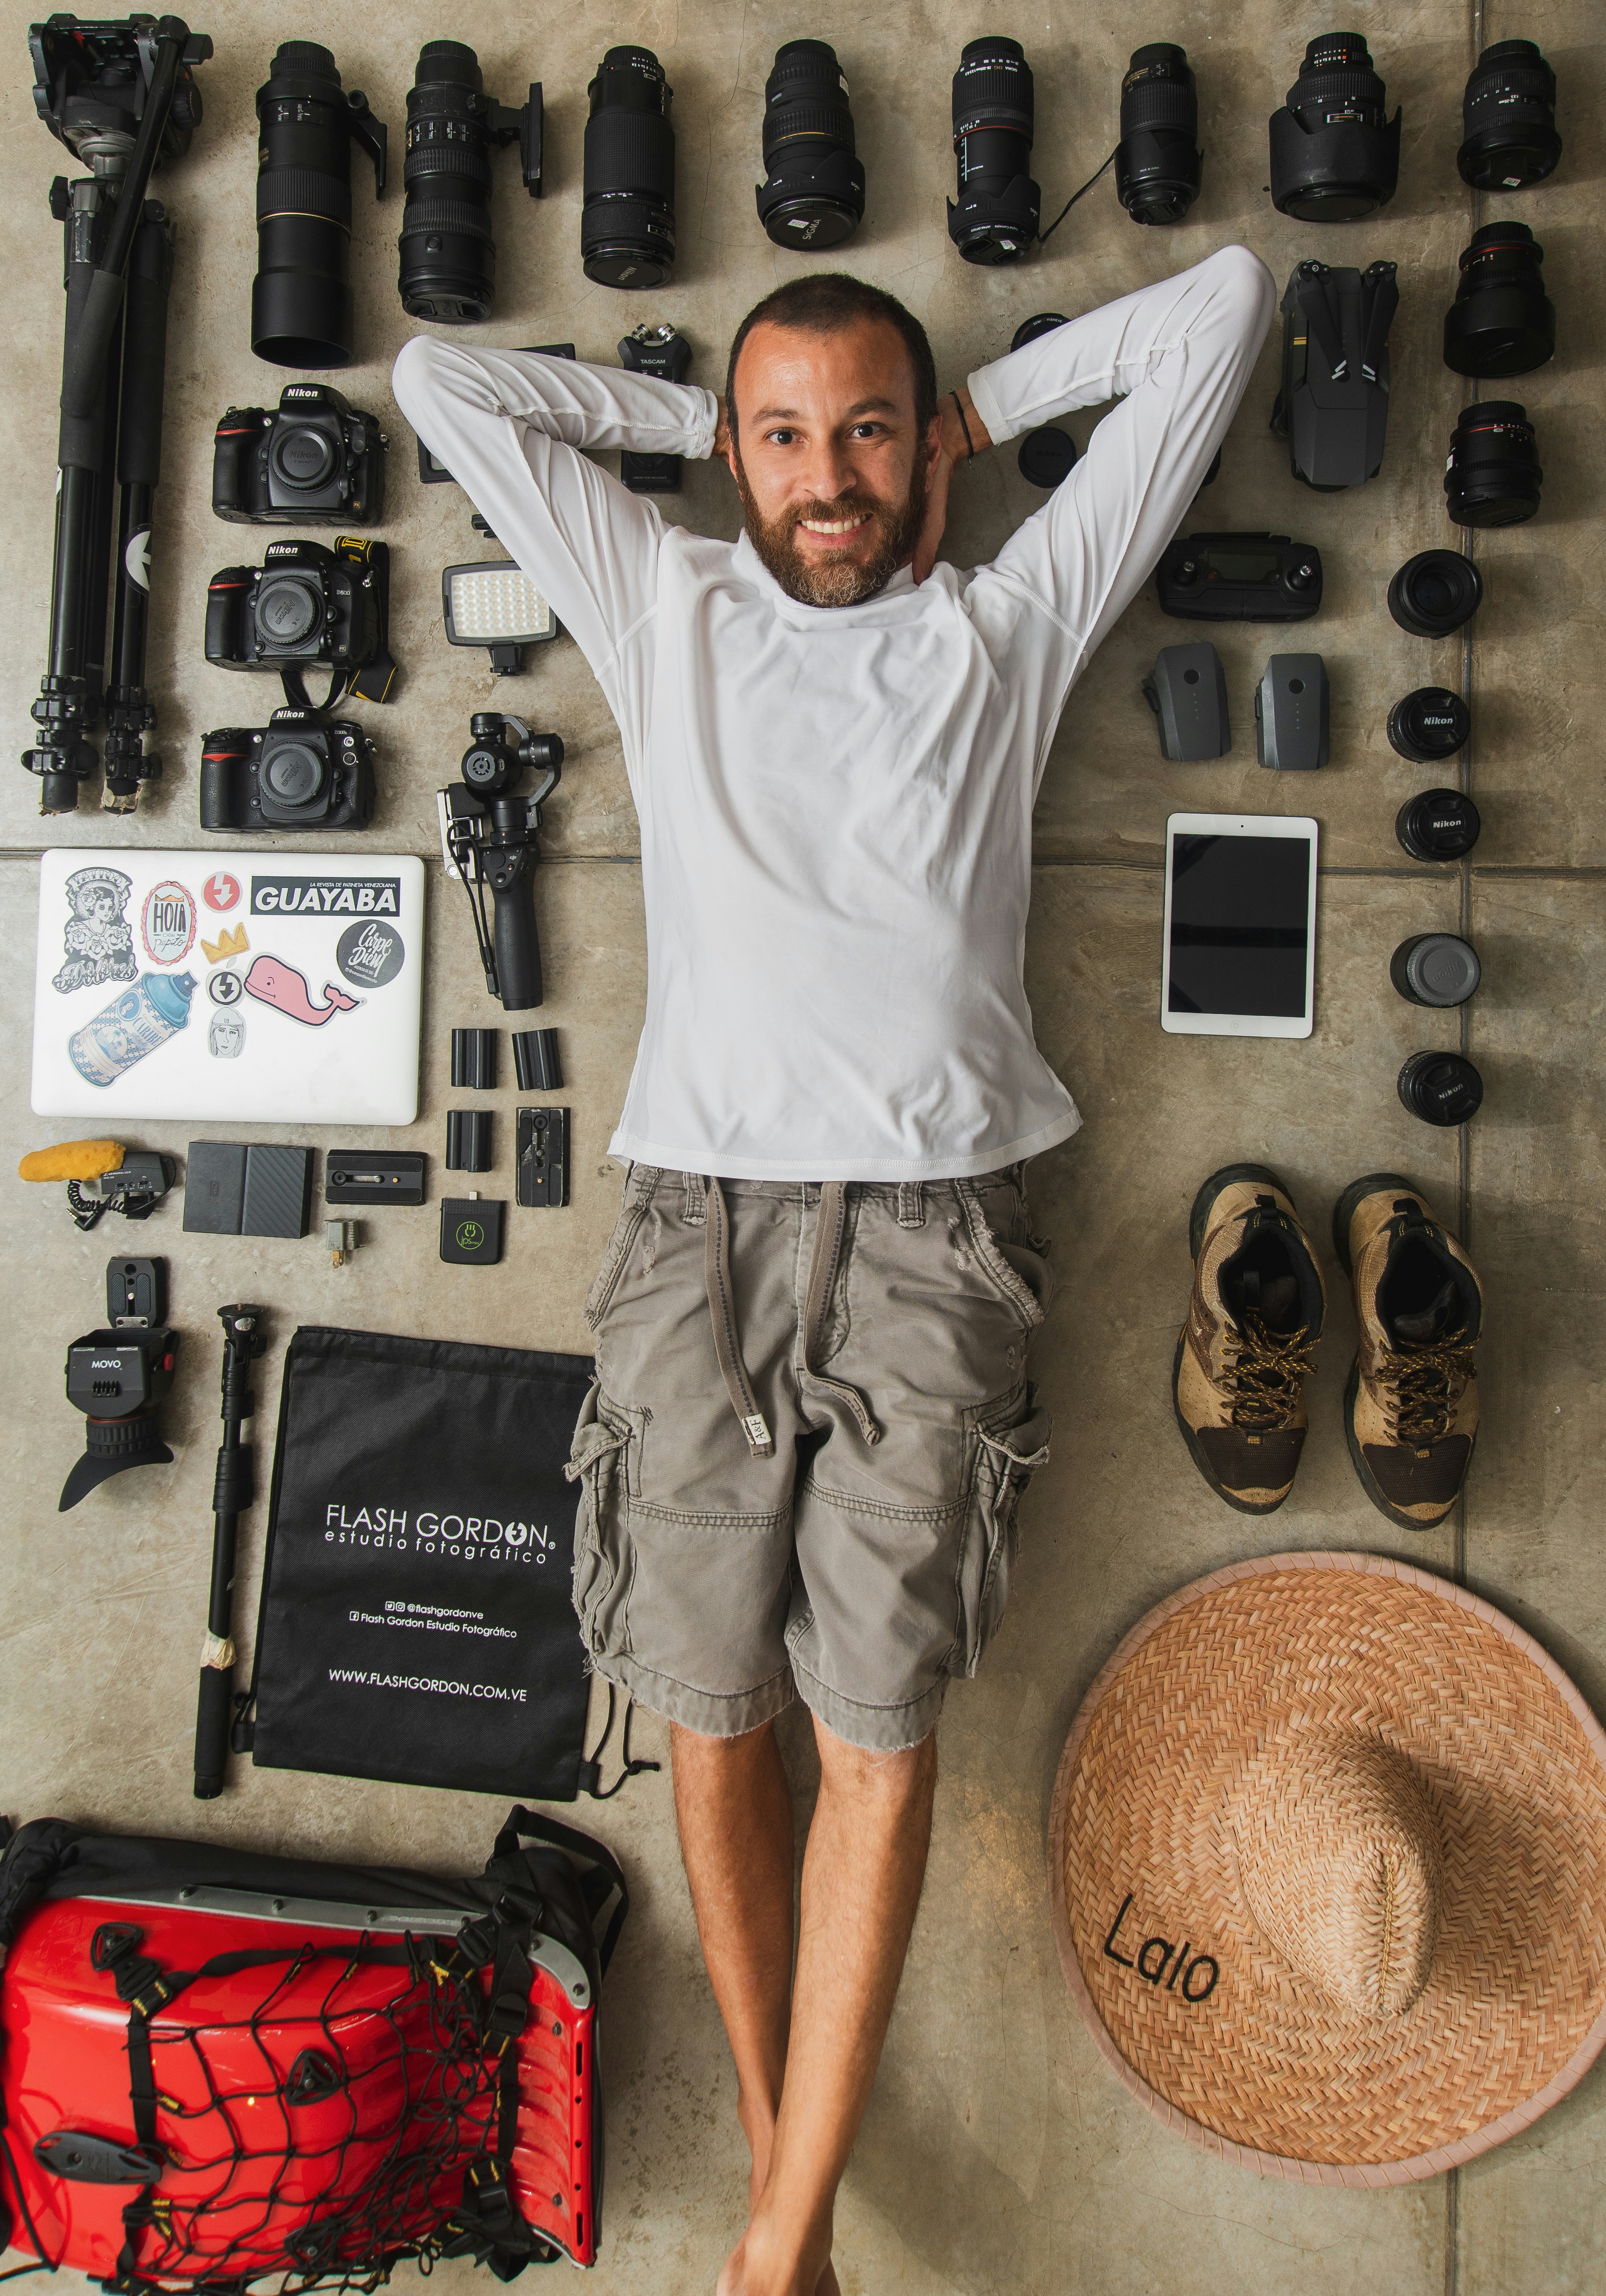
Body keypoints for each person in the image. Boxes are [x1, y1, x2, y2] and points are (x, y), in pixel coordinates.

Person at [394, 242, 1273, 2296]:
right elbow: (444, 382)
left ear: (928, 457)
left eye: (866, 432)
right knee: (713, 1710)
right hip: (690, 1225)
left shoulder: (1013, 620)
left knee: (871, 1719)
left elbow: (1220, 308)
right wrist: (674, 425)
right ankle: (795, 2216)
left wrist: (982, 397)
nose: (824, 476)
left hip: (934, 1237)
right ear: (739, 453)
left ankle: (774, 2239)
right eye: (783, 437)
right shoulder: (658, 595)